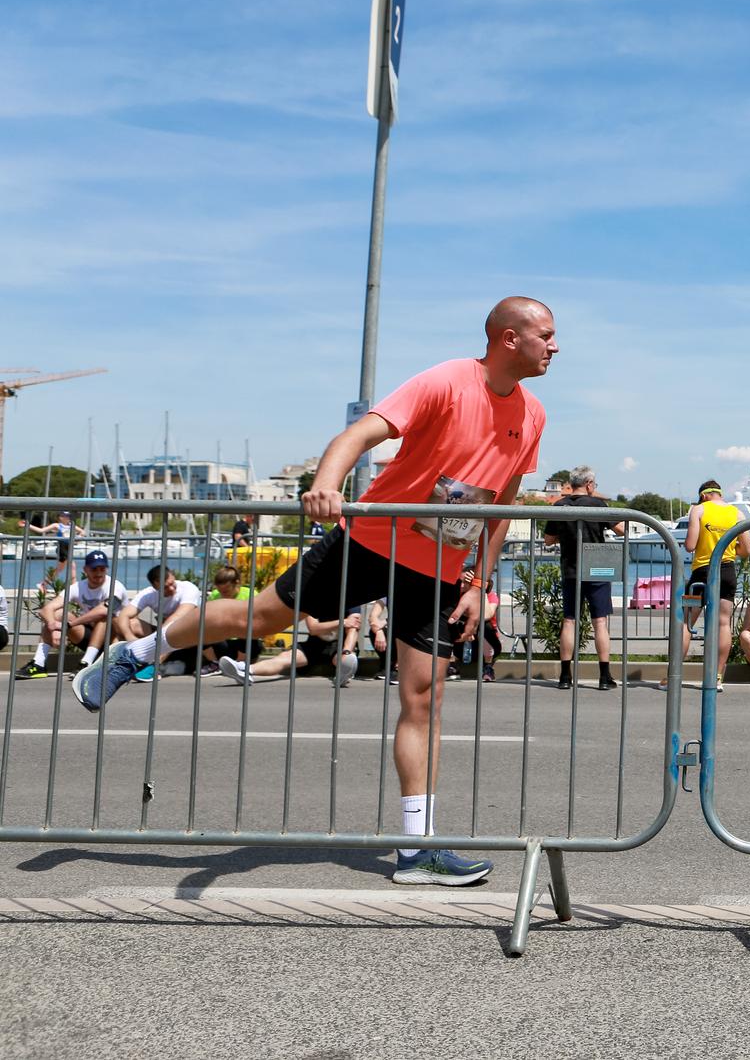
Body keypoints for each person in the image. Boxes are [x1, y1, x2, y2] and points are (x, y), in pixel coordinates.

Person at [75, 295, 554, 886]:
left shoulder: (532, 414)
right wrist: (326, 487)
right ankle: (141, 651)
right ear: (509, 339)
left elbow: (502, 503)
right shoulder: (448, 381)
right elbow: (359, 435)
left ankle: (417, 850)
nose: (555, 347)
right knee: (257, 619)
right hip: (373, 541)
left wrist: (480, 580)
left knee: (423, 699)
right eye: (547, 336)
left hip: (440, 569)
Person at [542, 465, 624, 690]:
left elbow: (548, 540)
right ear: (588, 485)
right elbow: (622, 530)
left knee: (569, 620)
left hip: (571, 566)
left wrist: (567, 537)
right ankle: (604, 676)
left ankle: (566, 676)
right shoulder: (598, 505)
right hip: (598, 564)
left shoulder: (559, 506)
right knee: (600, 622)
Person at [675, 480, 750, 692]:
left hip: (701, 573)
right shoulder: (737, 514)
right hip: (727, 572)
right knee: (723, 624)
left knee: (686, 620)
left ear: (705, 495)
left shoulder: (698, 509)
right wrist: (729, 550)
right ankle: (717, 677)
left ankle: (673, 675)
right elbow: (747, 551)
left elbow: (690, 545)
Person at [17, 550, 127, 679]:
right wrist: (53, 626)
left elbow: (103, 611)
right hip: (92, 638)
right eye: (94, 569)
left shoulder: (115, 586)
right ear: (86, 569)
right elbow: (47, 609)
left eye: (102, 569)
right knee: (58, 614)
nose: (98, 573)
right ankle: (39, 664)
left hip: (115, 641)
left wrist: (69, 625)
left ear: (106, 569)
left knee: (104, 617)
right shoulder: (77, 587)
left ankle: (86, 663)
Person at [218, 611, 361, 688]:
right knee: (285, 658)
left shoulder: (352, 598)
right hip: (315, 644)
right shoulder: (314, 597)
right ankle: (245, 670)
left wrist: (346, 651)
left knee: (344, 655)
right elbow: (313, 629)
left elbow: (353, 629)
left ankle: (344, 669)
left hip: (340, 645)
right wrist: (342, 622)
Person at [114, 567, 205, 678]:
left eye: (172, 583)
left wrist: (153, 640)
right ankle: (116, 661)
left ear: (173, 575)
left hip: (193, 637)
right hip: (164, 635)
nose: (171, 589)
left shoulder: (189, 588)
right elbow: (124, 615)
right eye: (165, 588)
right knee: (132, 624)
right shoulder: (148, 594)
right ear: (155, 587)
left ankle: (154, 665)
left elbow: (178, 616)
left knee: (174, 629)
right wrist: (130, 637)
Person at [198, 565, 261, 676]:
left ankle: (239, 665)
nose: (223, 594)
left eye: (226, 591)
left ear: (237, 583)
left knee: (248, 629)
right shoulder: (214, 596)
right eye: (220, 591)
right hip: (224, 641)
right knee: (200, 630)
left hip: (244, 643)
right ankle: (215, 663)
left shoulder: (250, 595)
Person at [18, 511, 75, 587]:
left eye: (68, 516)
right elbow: (41, 530)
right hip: (62, 547)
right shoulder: (57, 525)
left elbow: (82, 532)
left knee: (59, 569)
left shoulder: (72, 525)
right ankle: (74, 585)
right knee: (72, 566)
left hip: (69, 547)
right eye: (65, 516)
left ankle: (43, 584)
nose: (67, 518)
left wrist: (79, 536)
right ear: (60, 517)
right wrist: (27, 525)